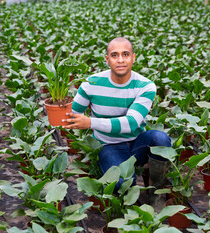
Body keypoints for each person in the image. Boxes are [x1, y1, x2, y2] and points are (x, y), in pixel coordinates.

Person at [62, 37, 171, 210]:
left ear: (133, 58)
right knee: (125, 182)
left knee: (161, 139)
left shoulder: (145, 86)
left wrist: (89, 122)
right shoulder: (92, 83)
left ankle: (156, 193)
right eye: (114, 55)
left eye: (125, 54)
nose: (120, 60)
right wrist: (58, 105)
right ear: (107, 59)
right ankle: (127, 185)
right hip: (108, 145)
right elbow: (71, 114)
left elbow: (131, 123)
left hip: (137, 142)